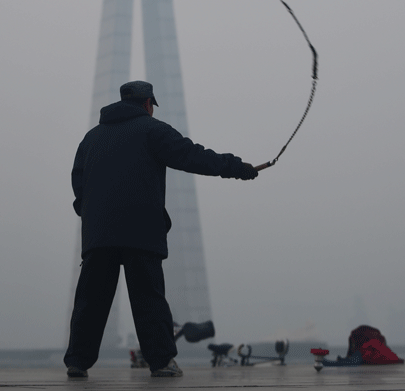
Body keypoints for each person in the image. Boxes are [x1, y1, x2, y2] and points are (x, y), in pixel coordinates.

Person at [64, 81, 259, 378]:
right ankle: (161, 362)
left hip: (99, 234)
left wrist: (88, 214)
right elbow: (192, 156)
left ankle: (77, 363)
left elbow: (78, 183)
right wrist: (237, 168)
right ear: (147, 104)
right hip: (141, 231)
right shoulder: (152, 130)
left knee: (90, 300)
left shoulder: (90, 139)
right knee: (148, 299)